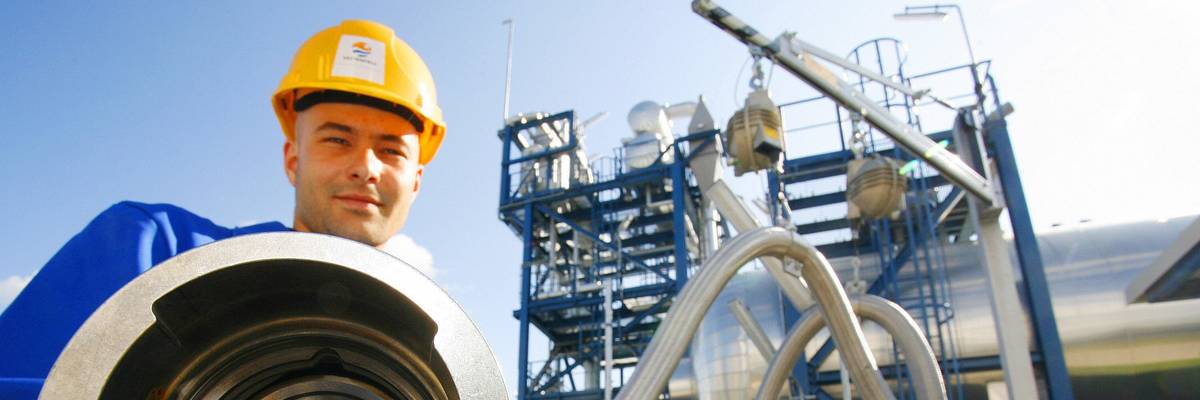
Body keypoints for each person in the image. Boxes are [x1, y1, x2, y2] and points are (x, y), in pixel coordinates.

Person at [0, 19, 445, 397]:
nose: (365, 167)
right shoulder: (152, 248)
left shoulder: (438, 340)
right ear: (293, 159)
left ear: (417, 181)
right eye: (338, 139)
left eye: (391, 151)